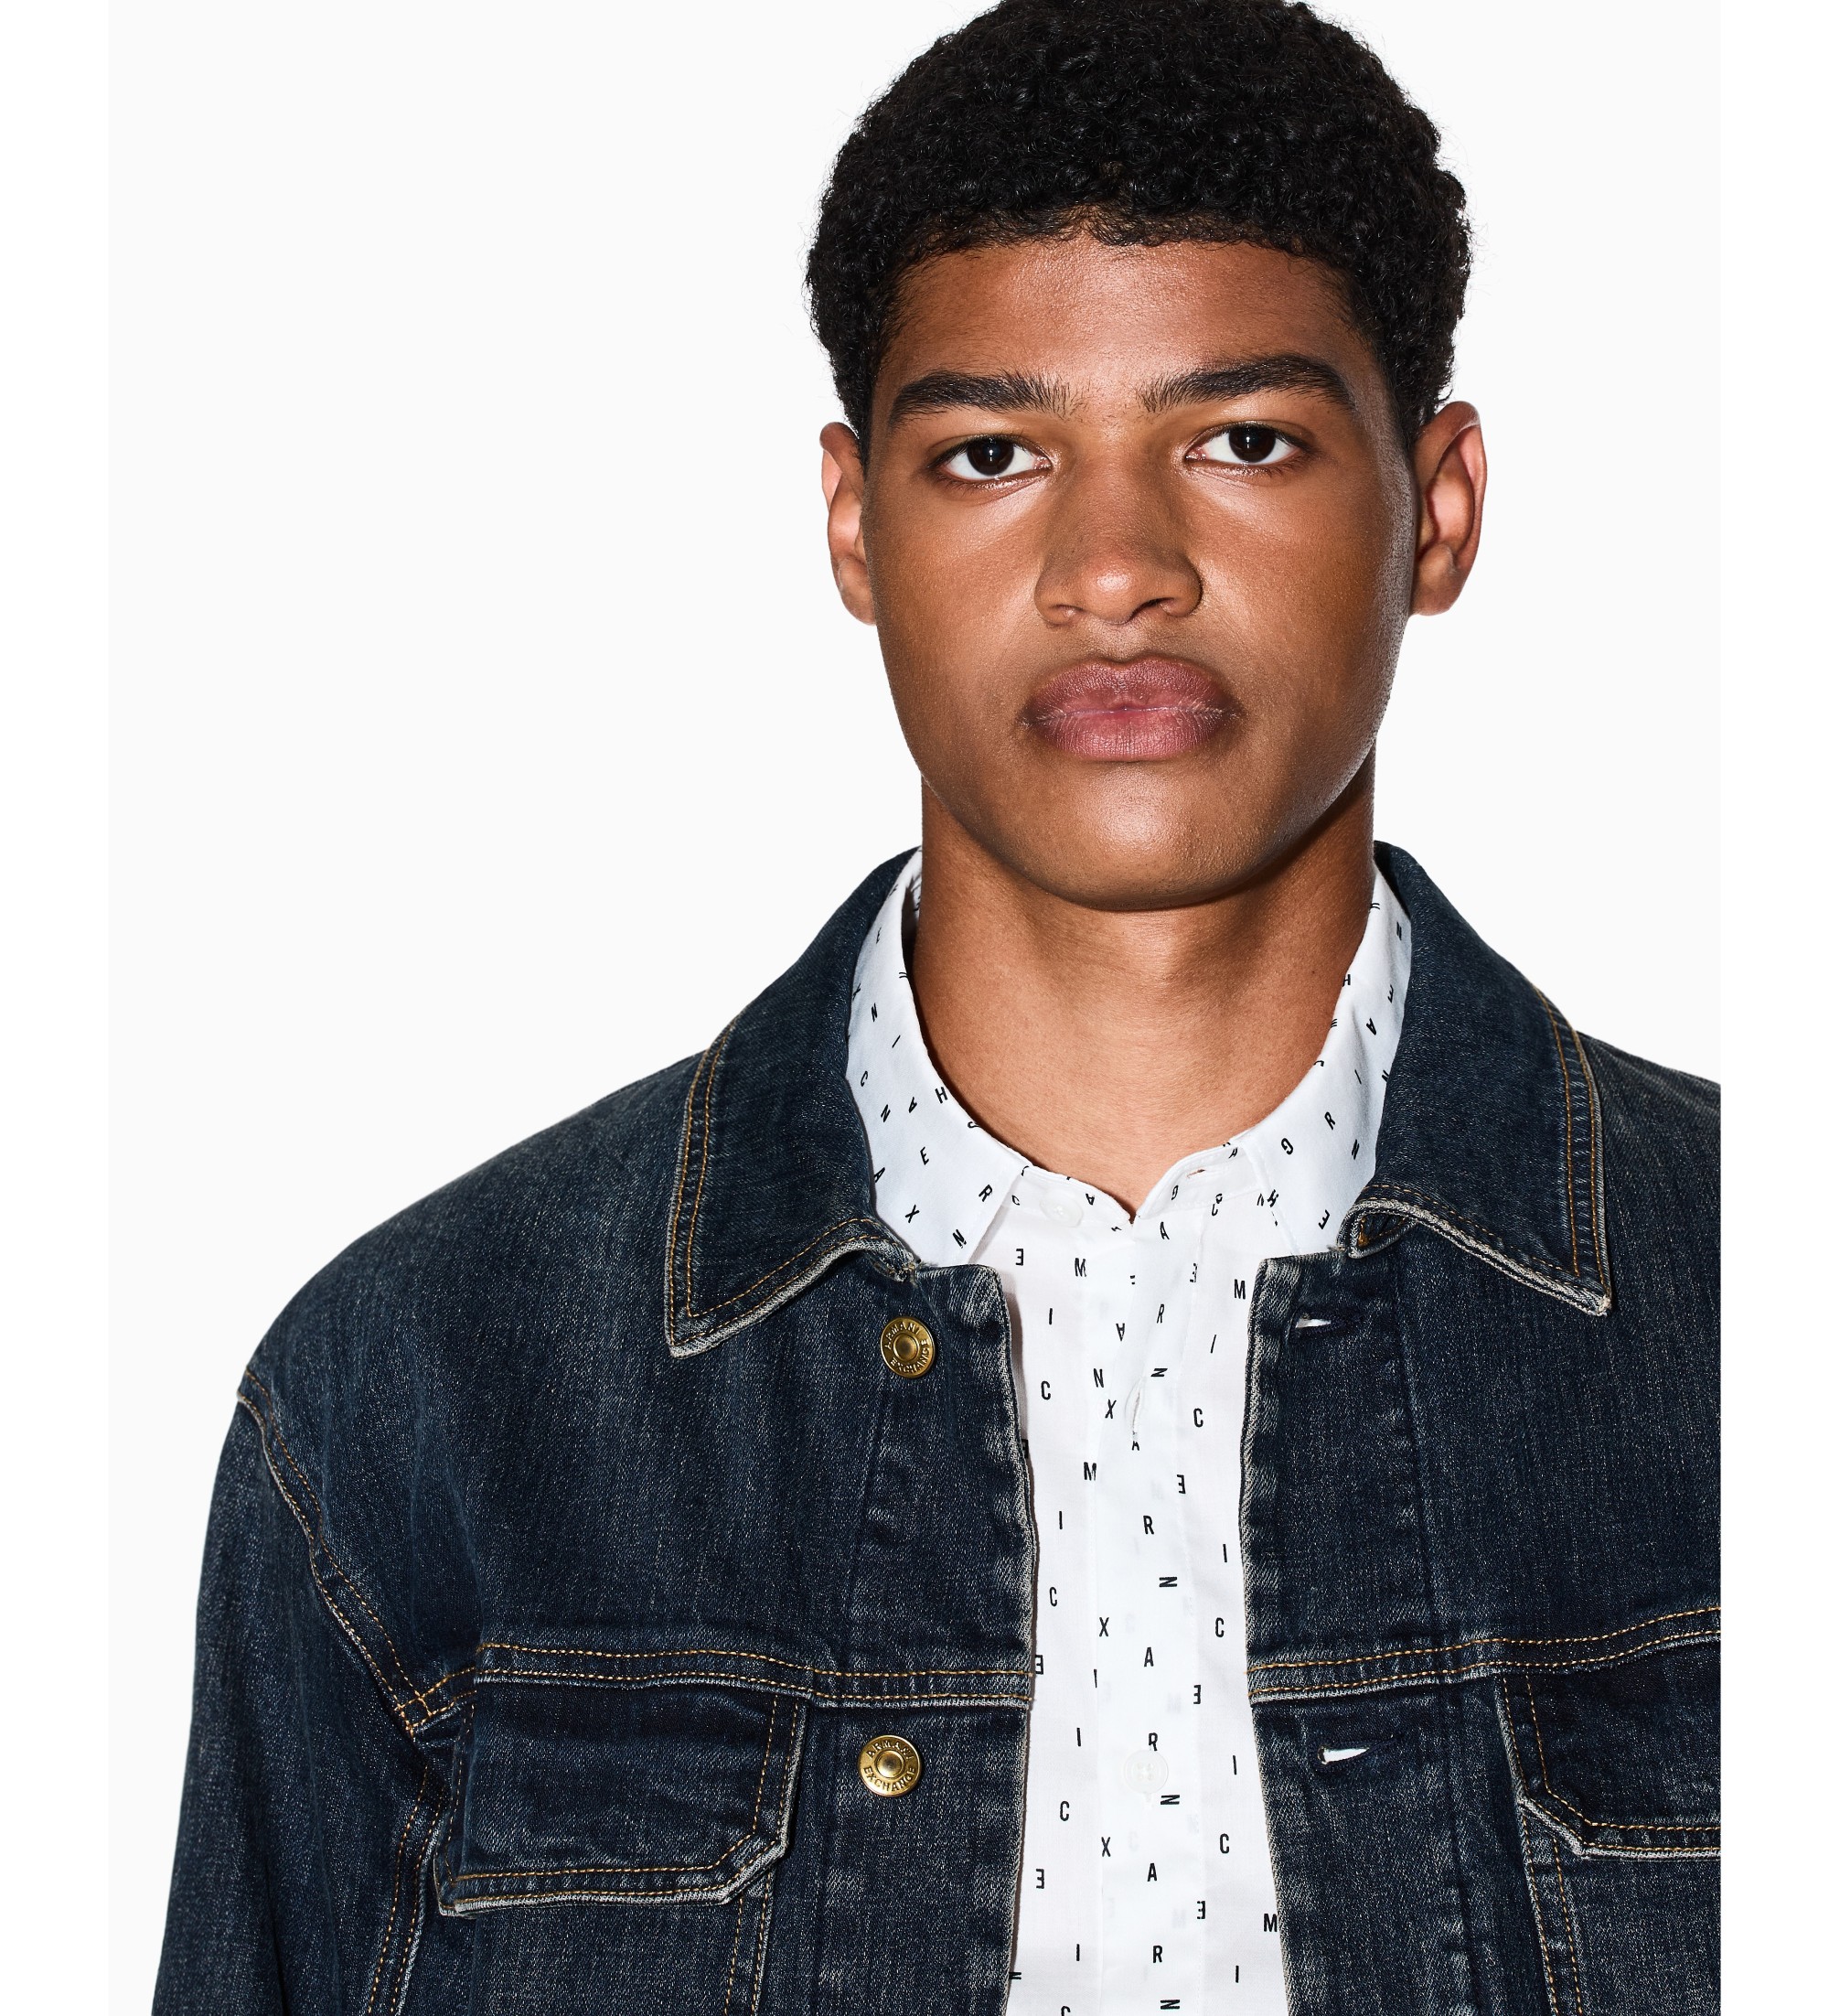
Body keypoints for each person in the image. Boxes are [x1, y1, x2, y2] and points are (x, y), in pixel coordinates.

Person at [154, 3, 1719, 2011]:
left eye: (1240, 440)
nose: (1115, 568)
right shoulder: (427, 1397)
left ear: (1436, 507)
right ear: (853, 526)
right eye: (993, 454)